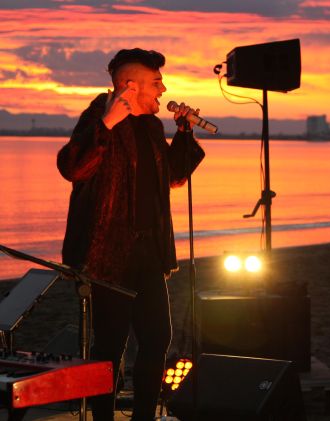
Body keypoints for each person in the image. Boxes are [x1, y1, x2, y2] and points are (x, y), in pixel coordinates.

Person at [57, 48, 205, 421]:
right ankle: (103, 417)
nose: (163, 89)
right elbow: (73, 167)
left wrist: (184, 132)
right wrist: (106, 124)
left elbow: (173, 176)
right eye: (156, 83)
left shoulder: (151, 126)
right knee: (109, 344)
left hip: (148, 252)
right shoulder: (97, 116)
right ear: (130, 86)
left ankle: (143, 416)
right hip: (107, 254)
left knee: (157, 338)